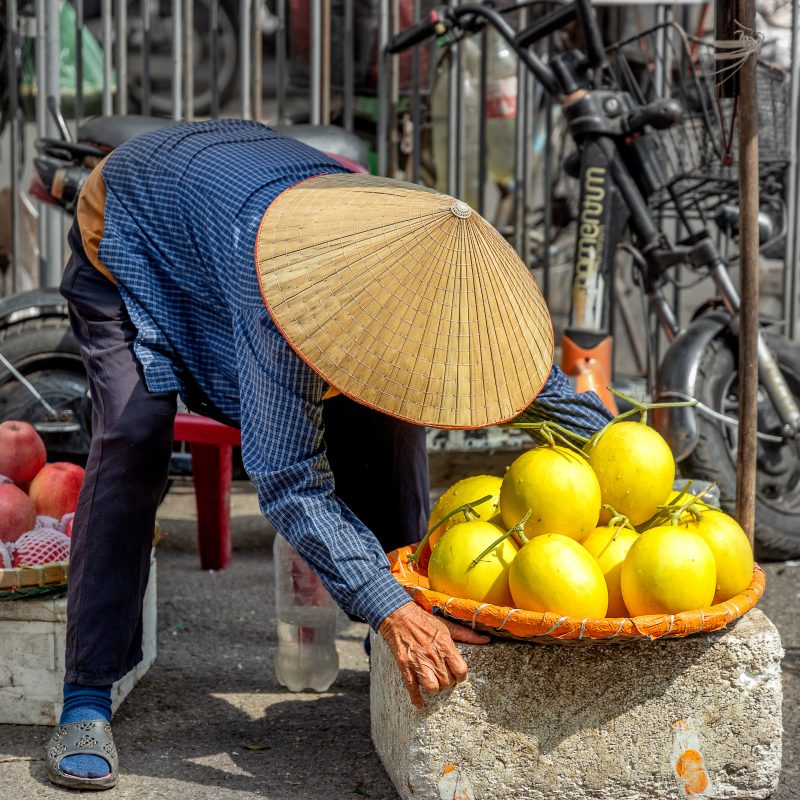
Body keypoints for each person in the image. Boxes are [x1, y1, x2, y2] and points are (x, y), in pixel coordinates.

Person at [45, 118, 612, 790]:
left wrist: (631, 458)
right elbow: (289, 482)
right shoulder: (281, 294)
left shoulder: (419, 266)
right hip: (130, 229)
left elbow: (534, 388)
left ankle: (397, 646)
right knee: (135, 430)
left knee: (389, 419)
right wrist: (385, 601)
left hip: (232, 182)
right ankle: (85, 693)